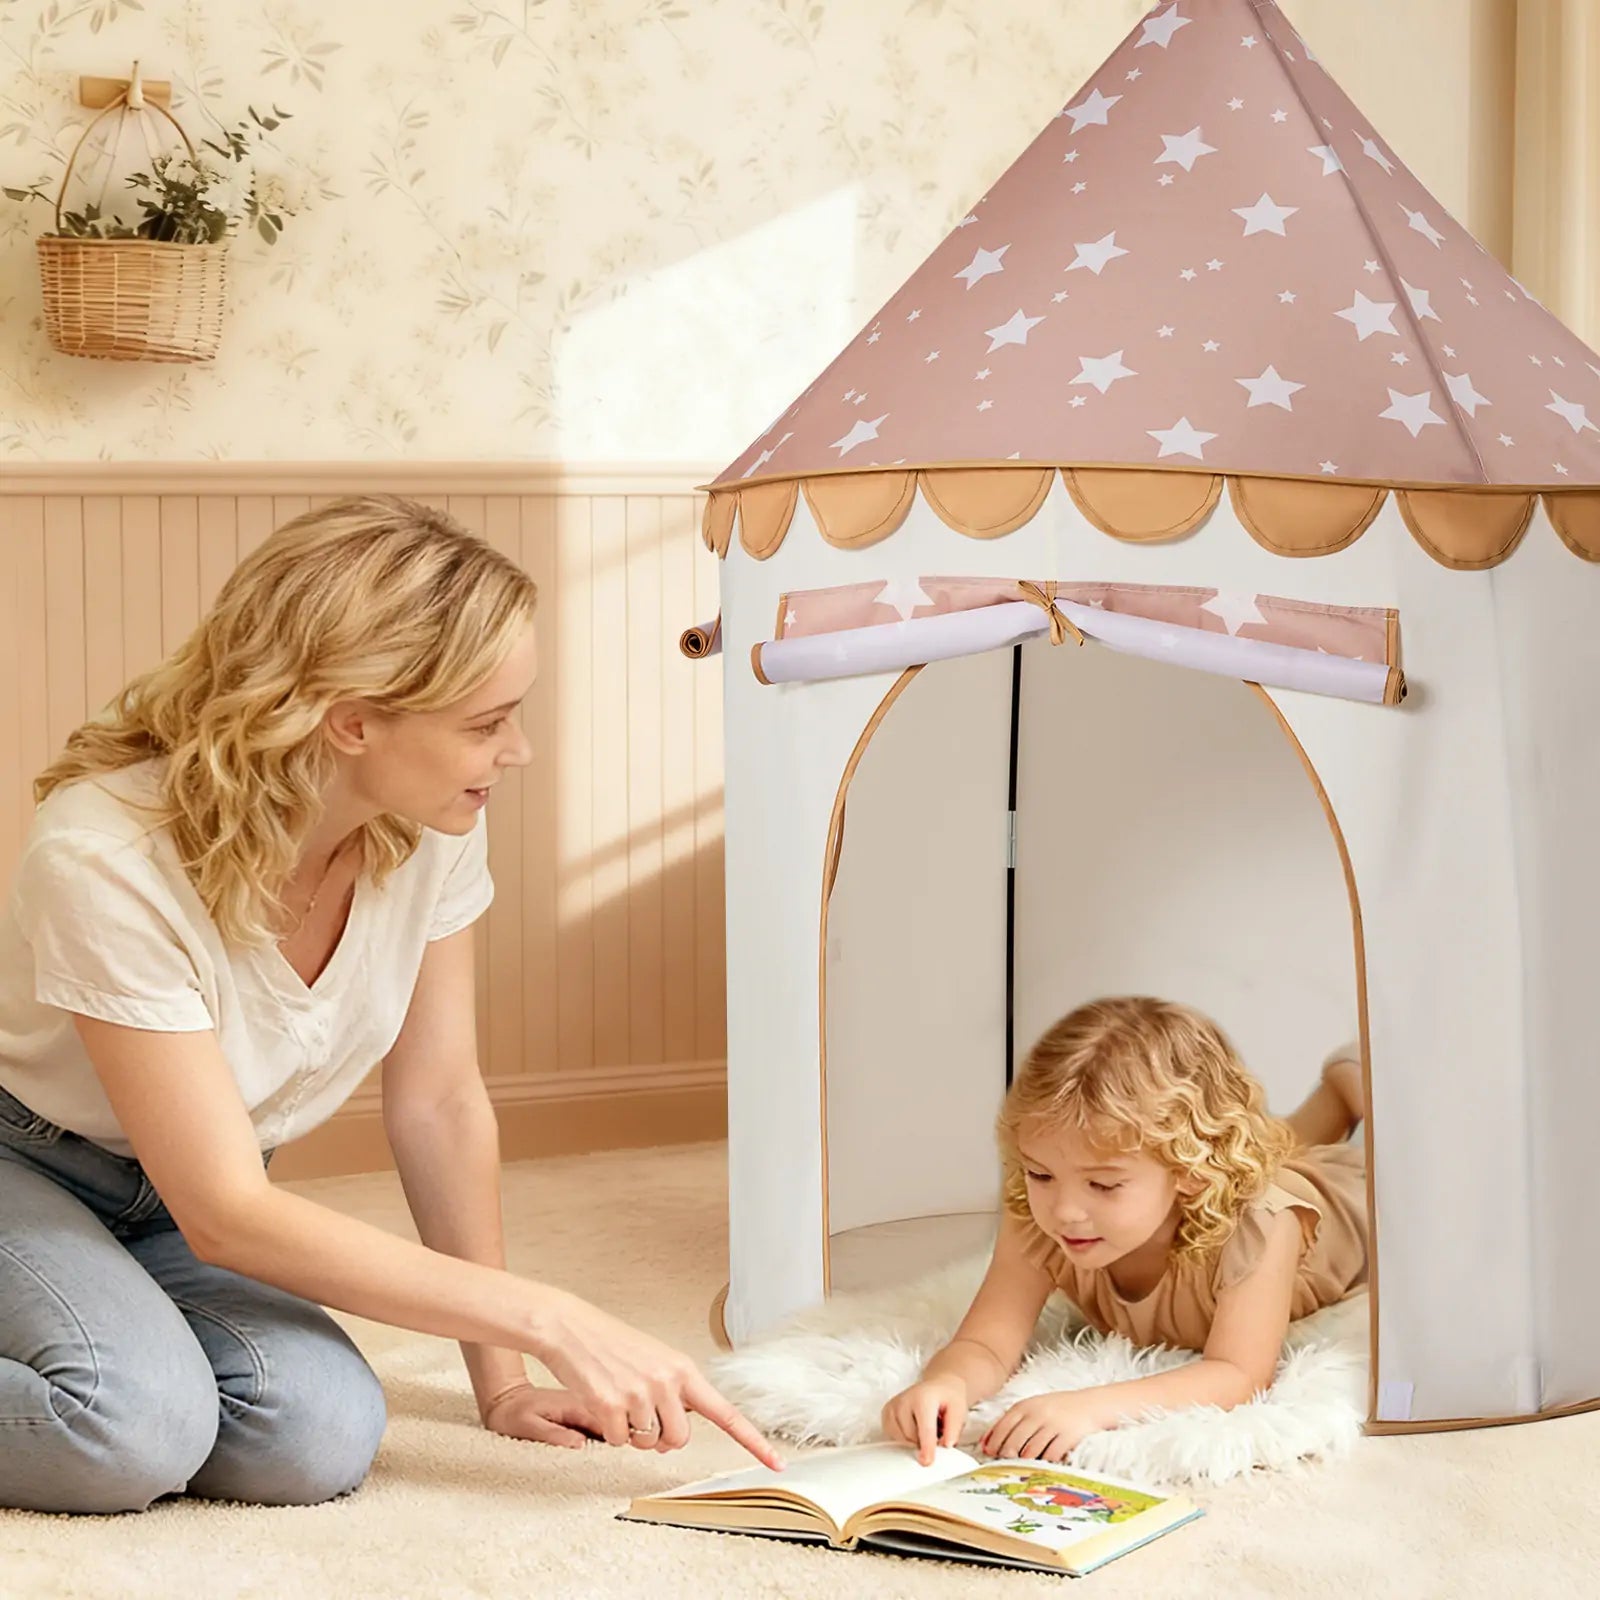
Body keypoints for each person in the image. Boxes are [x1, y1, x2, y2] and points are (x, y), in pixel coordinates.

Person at [0, 495, 780, 1516]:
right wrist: (552, 1315)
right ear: (352, 719)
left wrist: (500, 1379)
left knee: (312, 1436)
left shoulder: (430, 825)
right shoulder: (105, 856)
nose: (519, 751)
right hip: (29, 1160)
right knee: (130, 1426)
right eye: (487, 723)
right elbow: (228, 1213)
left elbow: (440, 1099)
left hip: (188, 1192)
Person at [882, 996, 1367, 1465]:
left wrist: (1090, 1406)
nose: (1065, 1211)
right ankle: (1336, 1095)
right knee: (1272, 1146)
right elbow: (985, 1344)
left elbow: (1238, 1374)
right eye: (1041, 1174)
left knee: (1316, 1163)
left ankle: (1352, 1087)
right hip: (1217, 1172)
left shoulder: (1264, 1223)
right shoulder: (1039, 1212)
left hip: (1357, 1199)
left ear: (1189, 1172)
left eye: (1103, 1184)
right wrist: (947, 1382)